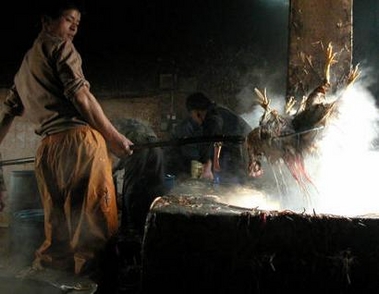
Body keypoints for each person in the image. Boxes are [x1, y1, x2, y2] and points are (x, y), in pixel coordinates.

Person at [0, 0, 133, 282]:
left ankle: (49, 274)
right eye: (68, 19)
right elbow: (81, 96)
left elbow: (9, 111)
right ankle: (92, 280)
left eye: (77, 23)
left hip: (47, 150)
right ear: (46, 21)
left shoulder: (24, 67)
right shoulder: (60, 47)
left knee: (57, 220)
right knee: (93, 216)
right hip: (78, 142)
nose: (73, 27)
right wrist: (114, 138)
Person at [112, 118, 166, 238]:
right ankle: (155, 226)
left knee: (131, 187)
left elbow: (119, 152)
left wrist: (113, 168)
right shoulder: (122, 124)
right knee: (155, 184)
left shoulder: (103, 130)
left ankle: (132, 231)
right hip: (153, 140)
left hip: (136, 142)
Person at [185, 92, 252, 184]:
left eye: (191, 114)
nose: (193, 119)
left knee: (236, 180)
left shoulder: (213, 116)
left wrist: (207, 164)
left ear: (196, 112)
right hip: (239, 146)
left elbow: (211, 137)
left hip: (242, 146)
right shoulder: (216, 111)